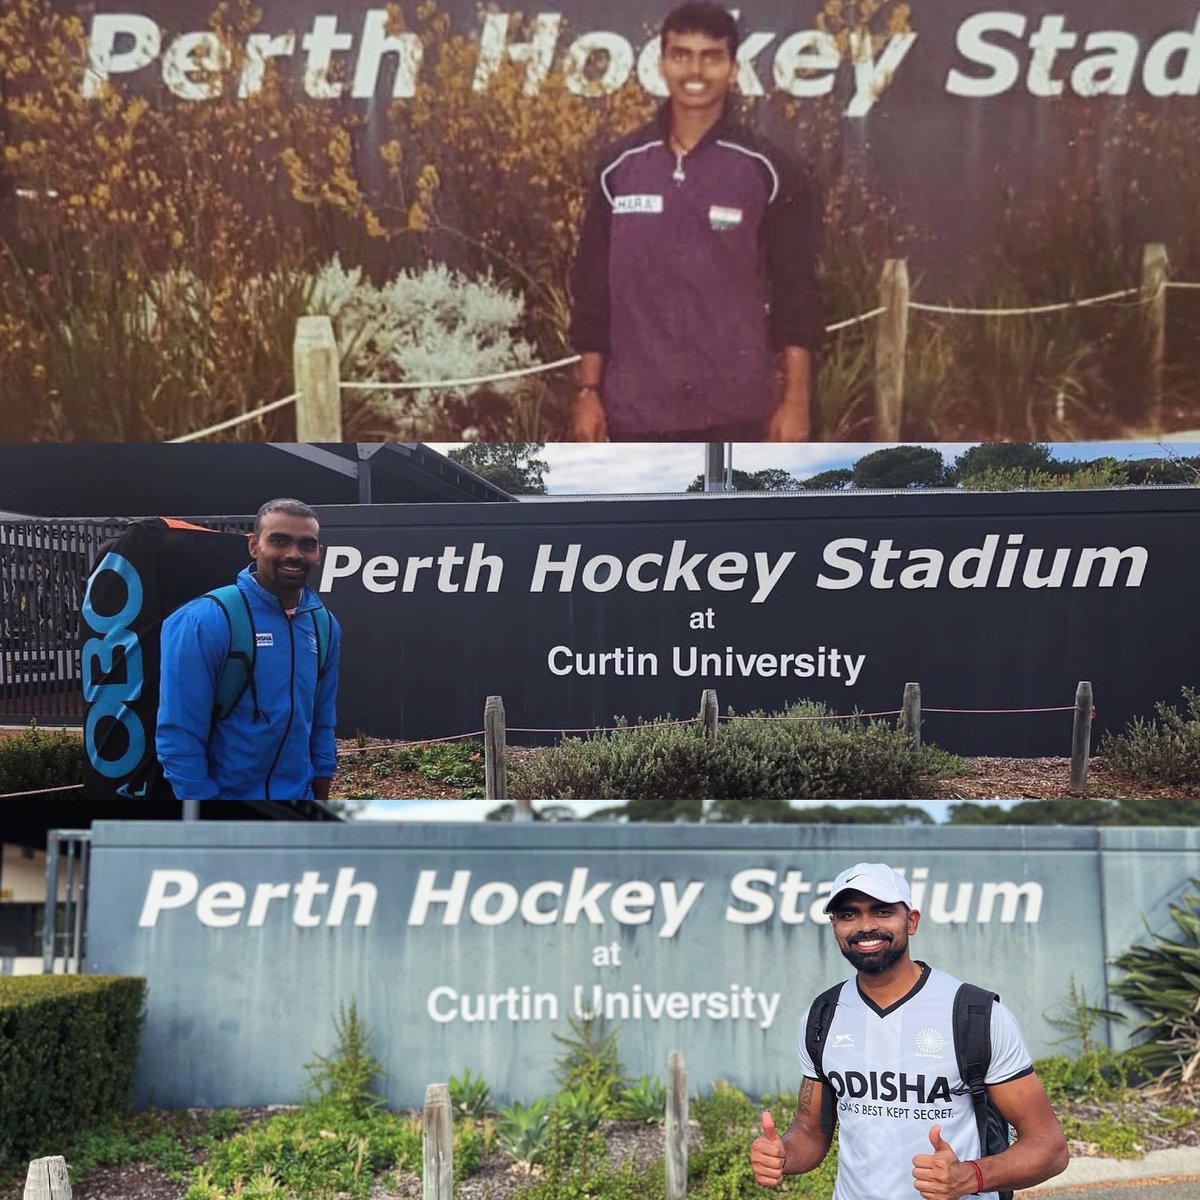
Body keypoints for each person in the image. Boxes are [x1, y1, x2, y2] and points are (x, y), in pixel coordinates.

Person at [569, 1, 822, 443]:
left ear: (732, 66)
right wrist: (588, 390)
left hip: (735, 412)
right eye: (681, 54)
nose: (695, 70)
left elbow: (796, 293)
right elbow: (593, 288)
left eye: (711, 56)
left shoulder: (771, 170)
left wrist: (796, 401)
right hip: (634, 412)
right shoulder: (618, 167)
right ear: (662, 63)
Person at [750, 862, 1069, 1200]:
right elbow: (811, 1131)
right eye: (848, 915)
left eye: (882, 911)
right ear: (834, 926)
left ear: (911, 921)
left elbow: (1049, 1148)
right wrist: (783, 1153)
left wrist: (970, 1176)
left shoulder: (976, 1014)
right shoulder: (822, 1016)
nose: (865, 926)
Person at [156, 498, 340, 802]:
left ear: (318, 553)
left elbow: (322, 721)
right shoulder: (205, 619)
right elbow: (179, 736)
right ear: (254, 546)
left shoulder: (324, 625)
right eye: (280, 541)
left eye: (307, 544)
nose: (294, 554)